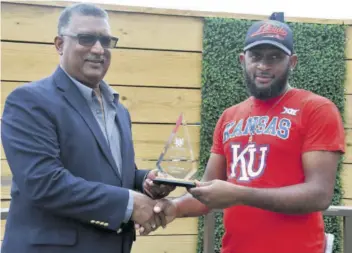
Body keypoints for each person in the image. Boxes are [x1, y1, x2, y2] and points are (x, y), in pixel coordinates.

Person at [139, 18, 346, 253]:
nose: (263, 65)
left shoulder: (316, 109)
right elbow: (205, 192)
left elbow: (319, 195)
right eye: (256, 56)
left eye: (275, 57)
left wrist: (239, 194)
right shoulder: (229, 117)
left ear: (293, 62)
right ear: (242, 60)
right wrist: (174, 207)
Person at [1, 3, 175, 253]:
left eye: (106, 40)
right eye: (86, 38)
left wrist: (145, 182)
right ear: (60, 44)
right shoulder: (29, 101)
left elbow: (112, 175)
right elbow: (44, 182)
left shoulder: (119, 110)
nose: (98, 49)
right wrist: (130, 203)